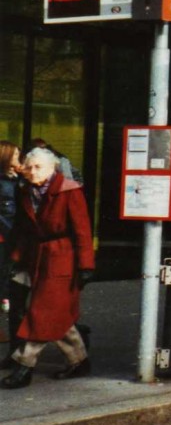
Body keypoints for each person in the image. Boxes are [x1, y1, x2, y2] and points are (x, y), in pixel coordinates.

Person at [1, 147, 94, 389]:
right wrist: (16, 257)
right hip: (37, 256)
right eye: (29, 167)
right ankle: (79, 360)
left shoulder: (69, 191)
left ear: (52, 169)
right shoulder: (26, 192)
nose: (32, 171)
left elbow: (83, 230)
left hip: (62, 257)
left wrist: (86, 265)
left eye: (38, 167)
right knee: (56, 312)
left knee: (41, 311)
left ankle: (25, 365)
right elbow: (24, 229)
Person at [0, 141, 22, 367]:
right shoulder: (5, 184)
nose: (19, 160)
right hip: (5, 241)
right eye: (16, 155)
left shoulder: (15, 180)